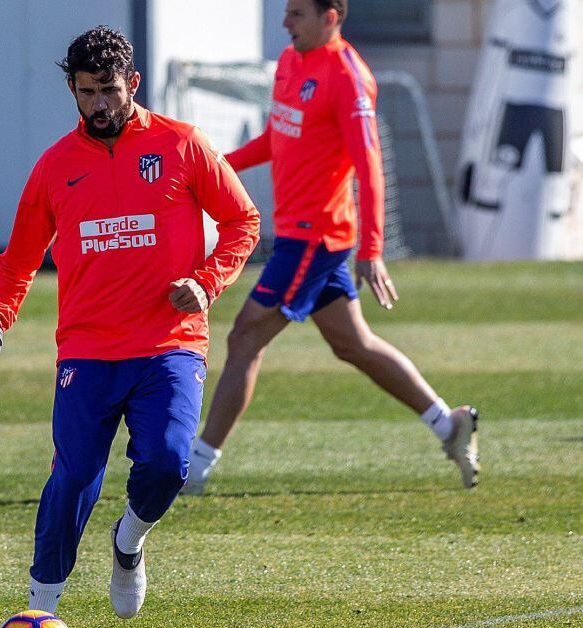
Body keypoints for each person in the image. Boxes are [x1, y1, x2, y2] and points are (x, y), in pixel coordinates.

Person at [0, 26, 260, 618]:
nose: (98, 104)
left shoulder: (182, 145)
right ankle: (39, 610)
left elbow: (243, 222)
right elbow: (19, 258)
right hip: (88, 351)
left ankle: (129, 541)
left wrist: (204, 283)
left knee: (169, 462)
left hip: (168, 346)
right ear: (71, 89)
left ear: (134, 85)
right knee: (72, 480)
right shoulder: (55, 166)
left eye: (109, 90)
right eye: (86, 91)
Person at [183, 0, 480, 496]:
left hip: (312, 237)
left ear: (331, 17)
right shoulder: (291, 60)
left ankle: (196, 466)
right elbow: (278, 138)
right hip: (307, 237)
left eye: (297, 13)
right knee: (353, 344)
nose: (285, 22)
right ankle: (448, 425)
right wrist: (218, 168)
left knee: (244, 337)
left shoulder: (347, 76)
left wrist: (374, 247)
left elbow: (369, 163)